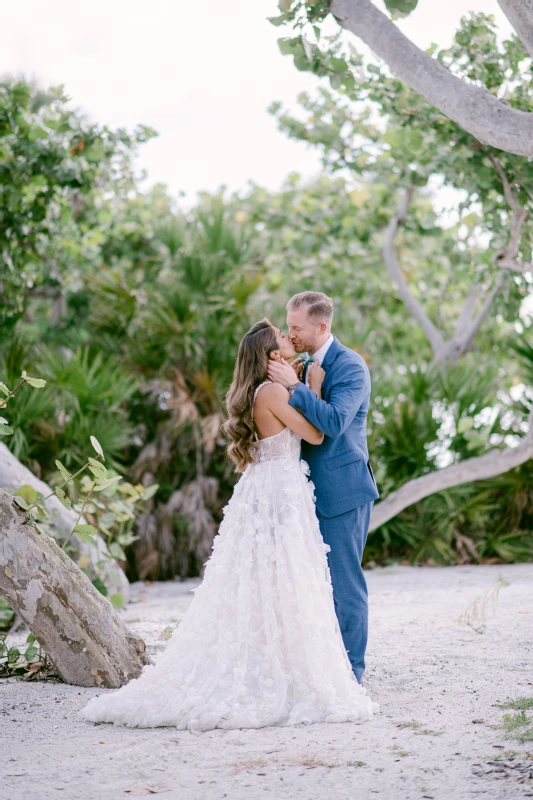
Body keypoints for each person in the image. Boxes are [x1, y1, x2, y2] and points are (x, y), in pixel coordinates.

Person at [79, 318, 377, 731]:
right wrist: (305, 387)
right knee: (286, 579)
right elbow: (316, 436)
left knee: (277, 583)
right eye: (282, 337)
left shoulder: (261, 390)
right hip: (280, 492)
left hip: (274, 488)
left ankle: (286, 664)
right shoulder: (275, 391)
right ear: (273, 357)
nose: (291, 339)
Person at [267, 292, 380, 686]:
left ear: (322, 327)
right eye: (289, 325)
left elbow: (331, 424)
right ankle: (319, 668)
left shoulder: (350, 366)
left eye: (296, 328)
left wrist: (295, 386)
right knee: (309, 583)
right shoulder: (297, 363)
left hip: (342, 491)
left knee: (344, 584)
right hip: (299, 491)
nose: (290, 334)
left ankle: (352, 674)